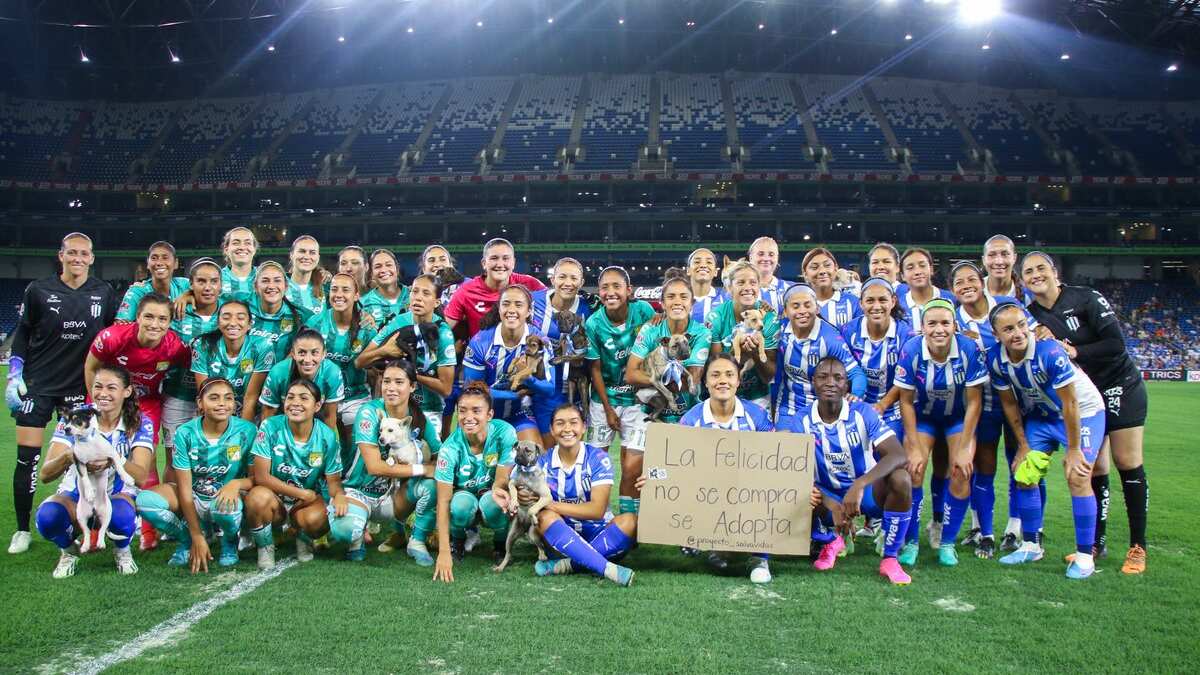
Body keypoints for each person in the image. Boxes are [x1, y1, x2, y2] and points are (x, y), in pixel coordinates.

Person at [1022, 251, 1149, 574]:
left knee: (1127, 462)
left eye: (1041, 268)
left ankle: (1138, 546)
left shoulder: (1086, 298)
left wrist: (1076, 350)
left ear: (1055, 271)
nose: (1035, 275)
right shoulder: (1032, 315)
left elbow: (1116, 344)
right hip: (1083, 394)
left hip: (1118, 385)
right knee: (1094, 468)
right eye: (1028, 272)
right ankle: (1096, 542)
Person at [7, 232, 117, 554]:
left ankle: (90, 523)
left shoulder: (104, 292)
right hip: (38, 387)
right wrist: (15, 374)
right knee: (27, 458)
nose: (78, 258)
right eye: (72, 253)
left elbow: (110, 338)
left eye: (84, 254)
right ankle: (22, 529)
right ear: (61, 255)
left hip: (78, 390)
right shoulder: (38, 290)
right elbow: (24, 333)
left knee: (83, 460)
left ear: (92, 258)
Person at [987, 302, 1106, 579]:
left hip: (1082, 414)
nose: (1017, 333)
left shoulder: (1049, 351)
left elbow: (1071, 403)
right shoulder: (995, 359)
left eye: (1020, 325)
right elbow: (1010, 405)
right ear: (996, 334)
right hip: (1042, 416)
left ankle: (1085, 557)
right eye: (1008, 329)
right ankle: (1030, 545)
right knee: (1025, 473)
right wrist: (1023, 446)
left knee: (1078, 476)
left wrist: (1074, 449)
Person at [789, 357, 914, 585]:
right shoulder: (800, 421)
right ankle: (829, 540)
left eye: (838, 377)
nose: (830, 382)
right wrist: (829, 503)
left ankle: (890, 558)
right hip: (827, 496)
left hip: (863, 496)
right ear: (813, 383)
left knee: (902, 479)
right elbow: (794, 474)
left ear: (846, 385)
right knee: (801, 492)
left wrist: (860, 485)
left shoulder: (862, 413)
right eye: (823, 377)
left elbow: (898, 454)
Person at [85, 292, 190, 549]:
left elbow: (188, 371)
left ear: (169, 322)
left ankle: (148, 531)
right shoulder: (113, 337)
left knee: (146, 461)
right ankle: (94, 530)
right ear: (137, 317)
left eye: (162, 319)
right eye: (149, 317)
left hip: (147, 404)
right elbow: (90, 368)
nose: (155, 324)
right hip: (108, 399)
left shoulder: (175, 347)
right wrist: (98, 404)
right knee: (96, 461)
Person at [33, 365, 156, 577]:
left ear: (126, 392)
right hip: (76, 494)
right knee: (48, 517)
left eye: (111, 387)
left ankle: (122, 551)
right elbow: (45, 474)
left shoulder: (140, 421)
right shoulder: (75, 417)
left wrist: (111, 457)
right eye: (98, 387)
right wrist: (70, 455)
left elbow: (142, 477)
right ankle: (69, 552)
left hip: (116, 494)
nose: (103, 394)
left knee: (121, 516)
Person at [950, 261, 1037, 558]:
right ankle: (984, 533)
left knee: (1020, 465)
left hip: (1018, 401)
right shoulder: (954, 320)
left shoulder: (1006, 308)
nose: (966, 285)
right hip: (983, 405)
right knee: (984, 469)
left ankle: (1016, 529)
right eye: (959, 282)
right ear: (953, 289)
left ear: (982, 281)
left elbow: (1034, 337)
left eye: (971, 279)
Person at [893, 299, 987, 567]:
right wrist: (912, 444)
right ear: (922, 327)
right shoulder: (911, 349)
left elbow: (974, 402)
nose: (939, 329)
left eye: (945, 323)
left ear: (955, 326)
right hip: (923, 418)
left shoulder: (968, 349)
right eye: (932, 323)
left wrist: (966, 446)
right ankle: (910, 542)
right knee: (913, 469)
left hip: (957, 419)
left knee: (961, 471)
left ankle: (947, 542)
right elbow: (906, 401)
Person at [135, 378, 257, 571]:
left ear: (234, 403)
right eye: (214, 398)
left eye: (228, 398)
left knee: (226, 504)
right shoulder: (185, 433)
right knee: (145, 501)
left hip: (226, 498)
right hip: (193, 496)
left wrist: (235, 484)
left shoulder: (248, 430)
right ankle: (186, 539)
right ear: (200, 403)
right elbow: (184, 489)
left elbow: (255, 479)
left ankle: (229, 542)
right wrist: (196, 536)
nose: (222, 404)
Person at [332, 360, 440, 563]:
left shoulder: (420, 418)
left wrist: (431, 466)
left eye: (399, 382)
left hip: (393, 497)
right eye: (386, 381)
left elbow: (439, 457)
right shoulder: (369, 412)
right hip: (359, 491)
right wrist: (422, 468)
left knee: (432, 484)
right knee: (346, 530)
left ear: (412, 386)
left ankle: (416, 541)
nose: (391, 388)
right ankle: (358, 534)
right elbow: (374, 467)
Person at [679, 354, 773, 581]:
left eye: (730, 375)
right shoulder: (691, 419)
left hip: (747, 493)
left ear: (739, 380)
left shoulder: (756, 415)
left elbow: (776, 463)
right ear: (706, 382)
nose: (723, 380)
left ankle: (759, 557)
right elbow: (675, 465)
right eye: (715, 375)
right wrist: (655, 480)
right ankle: (710, 541)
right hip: (707, 493)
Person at [520, 403, 636, 586]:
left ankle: (569, 564)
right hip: (561, 539)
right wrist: (523, 496)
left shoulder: (598, 459)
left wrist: (549, 504)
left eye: (573, 422)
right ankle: (607, 569)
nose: (567, 429)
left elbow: (597, 510)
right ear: (551, 429)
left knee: (630, 521)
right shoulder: (543, 462)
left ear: (584, 426)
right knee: (545, 518)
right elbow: (528, 496)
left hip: (600, 534)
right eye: (560, 423)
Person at [245, 378, 345, 569]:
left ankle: (303, 537)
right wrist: (300, 493)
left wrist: (339, 495)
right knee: (256, 498)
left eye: (303, 398)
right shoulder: (269, 426)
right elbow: (261, 477)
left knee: (319, 518)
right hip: (276, 499)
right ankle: (265, 546)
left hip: (305, 504)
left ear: (317, 406)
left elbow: (333, 481)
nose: (295, 403)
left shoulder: (327, 436)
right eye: (290, 397)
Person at [584, 266, 656, 516]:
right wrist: (607, 409)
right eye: (604, 287)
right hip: (604, 400)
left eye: (617, 286)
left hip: (637, 400)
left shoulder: (644, 312)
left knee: (632, 465)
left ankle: (630, 519)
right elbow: (594, 369)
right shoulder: (593, 323)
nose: (610, 292)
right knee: (596, 463)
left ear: (629, 290)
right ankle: (598, 516)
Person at [430, 382, 517, 582]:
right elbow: (443, 502)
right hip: (464, 495)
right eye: (462, 411)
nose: (468, 417)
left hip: (490, 491)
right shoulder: (449, 449)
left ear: (490, 414)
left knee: (497, 503)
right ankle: (457, 541)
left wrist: (498, 489)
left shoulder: (505, 433)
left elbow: (502, 479)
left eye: (476, 411)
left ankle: (500, 544)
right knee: (459, 507)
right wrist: (443, 552)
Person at [357, 274, 456, 433]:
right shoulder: (398, 322)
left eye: (426, 293)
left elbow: (446, 388)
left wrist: (408, 373)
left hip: (429, 409)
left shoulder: (443, 334)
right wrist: (385, 350)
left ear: (437, 302)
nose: (418, 298)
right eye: (414, 292)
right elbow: (360, 362)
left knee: (425, 456)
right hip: (393, 408)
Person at [463, 285, 556, 447]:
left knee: (534, 457)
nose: (511, 310)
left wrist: (528, 379)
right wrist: (513, 396)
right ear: (499, 308)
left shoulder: (541, 341)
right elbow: (471, 391)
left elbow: (550, 389)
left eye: (518, 305)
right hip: (483, 414)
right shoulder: (480, 342)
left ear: (528, 311)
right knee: (477, 465)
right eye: (506, 304)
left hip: (521, 413)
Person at [157, 258, 222, 489]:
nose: (208, 287)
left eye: (214, 281)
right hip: (178, 396)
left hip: (217, 401)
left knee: (210, 460)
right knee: (175, 461)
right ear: (190, 284)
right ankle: (173, 515)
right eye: (201, 281)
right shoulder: (176, 312)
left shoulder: (229, 313)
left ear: (221, 285)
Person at [773, 284, 864, 430]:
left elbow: (856, 374)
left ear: (817, 308)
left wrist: (855, 395)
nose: (802, 311)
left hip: (822, 411)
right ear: (785, 311)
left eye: (807, 305)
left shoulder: (830, 339)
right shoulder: (779, 329)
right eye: (795, 306)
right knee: (786, 449)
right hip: (789, 408)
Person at [626, 270, 710, 424]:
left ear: (692, 304)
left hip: (690, 413)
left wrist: (653, 378)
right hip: (653, 413)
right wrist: (658, 379)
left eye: (684, 297)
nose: (677, 302)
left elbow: (690, 382)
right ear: (663, 303)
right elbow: (630, 375)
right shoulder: (650, 330)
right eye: (671, 297)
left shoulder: (702, 333)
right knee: (633, 449)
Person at [305, 273, 377, 441]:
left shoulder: (367, 328)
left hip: (355, 396)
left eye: (345, 290)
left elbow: (375, 371)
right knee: (319, 444)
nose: (338, 295)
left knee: (353, 448)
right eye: (334, 289)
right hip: (320, 398)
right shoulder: (315, 323)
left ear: (356, 295)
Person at [530, 257, 592, 446]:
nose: (568, 283)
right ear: (553, 279)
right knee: (540, 451)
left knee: (565, 452)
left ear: (581, 283)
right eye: (562, 277)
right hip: (537, 390)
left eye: (574, 278)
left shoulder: (588, 309)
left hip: (571, 391)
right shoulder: (533, 301)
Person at [841, 277, 911, 441]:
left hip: (892, 410)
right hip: (854, 405)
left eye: (882, 300)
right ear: (861, 303)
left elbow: (905, 380)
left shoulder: (906, 335)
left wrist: (881, 406)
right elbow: (841, 369)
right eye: (870, 300)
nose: (876, 306)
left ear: (893, 301)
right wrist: (849, 396)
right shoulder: (848, 331)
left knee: (891, 458)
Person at [707, 260, 779, 411]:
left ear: (759, 287)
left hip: (757, 397)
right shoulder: (716, 317)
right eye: (740, 282)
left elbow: (769, 376)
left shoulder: (770, 319)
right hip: (722, 396)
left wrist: (755, 354)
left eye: (753, 282)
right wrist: (738, 354)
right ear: (728, 287)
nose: (748, 288)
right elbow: (715, 368)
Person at [444, 238, 546, 338]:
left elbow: (553, 302)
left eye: (505, 258)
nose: (500, 264)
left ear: (513, 263)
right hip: (480, 352)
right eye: (494, 258)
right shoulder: (466, 291)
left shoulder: (530, 284)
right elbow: (444, 328)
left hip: (521, 352)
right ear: (484, 263)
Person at [190, 299, 273, 420]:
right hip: (215, 409)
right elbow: (206, 394)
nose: (233, 323)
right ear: (218, 322)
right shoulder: (202, 345)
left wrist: (242, 432)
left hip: (248, 411)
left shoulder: (262, 346)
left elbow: (251, 398)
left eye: (240, 318)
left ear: (250, 324)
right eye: (226, 317)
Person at [258, 328, 345, 431]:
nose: (308, 360)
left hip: (316, 420)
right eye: (302, 353)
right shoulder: (278, 372)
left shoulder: (332, 373)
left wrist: (325, 444)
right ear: (293, 354)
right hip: (282, 421)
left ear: (324, 354)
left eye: (314, 353)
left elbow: (329, 416)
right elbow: (269, 412)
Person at [115, 241, 190, 322]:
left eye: (165, 258)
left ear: (176, 263)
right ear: (148, 263)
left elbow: (204, 293)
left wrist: (187, 295)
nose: (159, 263)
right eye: (154, 258)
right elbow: (120, 325)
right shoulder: (138, 291)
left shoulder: (184, 285)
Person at [896, 247, 955, 329]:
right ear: (902, 276)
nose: (917, 272)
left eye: (922, 265)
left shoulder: (952, 299)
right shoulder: (898, 306)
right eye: (910, 268)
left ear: (931, 269)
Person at [802, 247, 860, 328]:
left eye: (827, 265)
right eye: (814, 267)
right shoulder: (800, 305)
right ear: (805, 275)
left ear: (836, 269)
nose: (822, 271)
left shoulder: (854, 303)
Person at [360, 249, 410, 325]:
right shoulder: (362, 303)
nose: (383, 270)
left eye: (389, 265)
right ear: (371, 274)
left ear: (397, 269)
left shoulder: (413, 295)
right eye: (378, 266)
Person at [981, 234, 1031, 304]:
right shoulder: (973, 291)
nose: (999, 261)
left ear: (1014, 258)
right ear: (983, 260)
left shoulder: (1029, 296)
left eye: (1005, 254)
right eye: (992, 255)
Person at [685, 247, 728, 324]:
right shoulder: (677, 299)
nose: (703, 265)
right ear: (688, 270)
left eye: (709, 262)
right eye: (697, 262)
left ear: (715, 272)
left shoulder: (726, 299)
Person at [748, 237, 789, 316]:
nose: (766, 258)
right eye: (761, 254)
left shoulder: (790, 289)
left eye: (771, 254)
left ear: (777, 258)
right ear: (751, 258)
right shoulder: (736, 291)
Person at [285, 235, 326, 313]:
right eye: (302, 251)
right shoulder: (279, 286)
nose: (307, 256)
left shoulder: (326, 287)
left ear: (318, 257)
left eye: (312, 252)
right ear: (291, 255)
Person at [219, 226, 258, 295]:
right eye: (236, 243)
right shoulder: (216, 277)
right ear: (226, 250)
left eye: (247, 243)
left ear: (254, 249)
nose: (242, 247)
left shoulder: (265, 276)